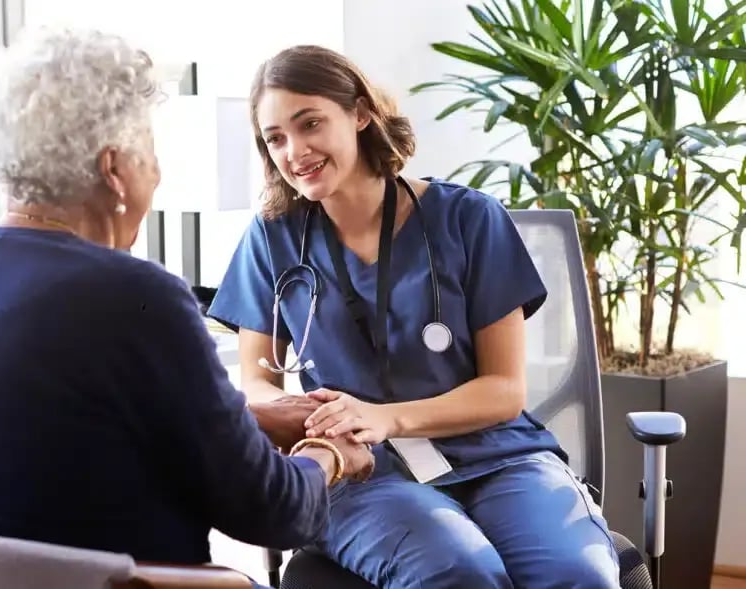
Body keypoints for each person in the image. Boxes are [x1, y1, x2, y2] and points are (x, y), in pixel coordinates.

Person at [0, 26, 374, 587]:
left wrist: (246, 416)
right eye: (151, 158)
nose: (156, 177)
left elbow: (62, 422)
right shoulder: (136, 295)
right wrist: (327, 453)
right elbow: (276, 514)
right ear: (115, 170)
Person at [207, 45, 621, 588]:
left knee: (577, 576)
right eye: (276, 138)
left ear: (359, 113)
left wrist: (389, 416)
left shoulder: (469, 219)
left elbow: (504, 390)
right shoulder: (273, 236)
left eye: (310, 124)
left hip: (498, 455)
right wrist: (308, 414)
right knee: (458, 571)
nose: (295, 151)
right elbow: (257, 379)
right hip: (358, 468)